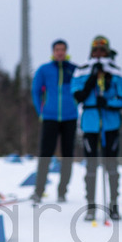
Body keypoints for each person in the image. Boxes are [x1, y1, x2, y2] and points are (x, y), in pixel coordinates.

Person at [70, 35, 122, 220]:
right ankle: (91, 206)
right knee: (91, 165)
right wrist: (91, 80)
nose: (98, 53)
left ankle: (113, 205)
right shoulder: (81, 71)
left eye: (102, 50)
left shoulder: (116, 71)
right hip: (90, 123)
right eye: (95, 50)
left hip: (110, 123)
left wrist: (109, 102)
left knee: (111, 165)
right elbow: (78, 96)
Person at [30, 39, 77, 203]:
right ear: (53, 51)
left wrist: (76, 105)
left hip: (70, 117)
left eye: (62, 50)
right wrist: (40, 111)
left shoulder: (73, 69)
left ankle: (62, 191)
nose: (60, 52)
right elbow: (35, 91)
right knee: (45, 155)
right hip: (49, 117)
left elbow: (80, 90)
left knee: (67, 156)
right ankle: (38, 190)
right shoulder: (44, 70)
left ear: (66, 51)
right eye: (57, 50)